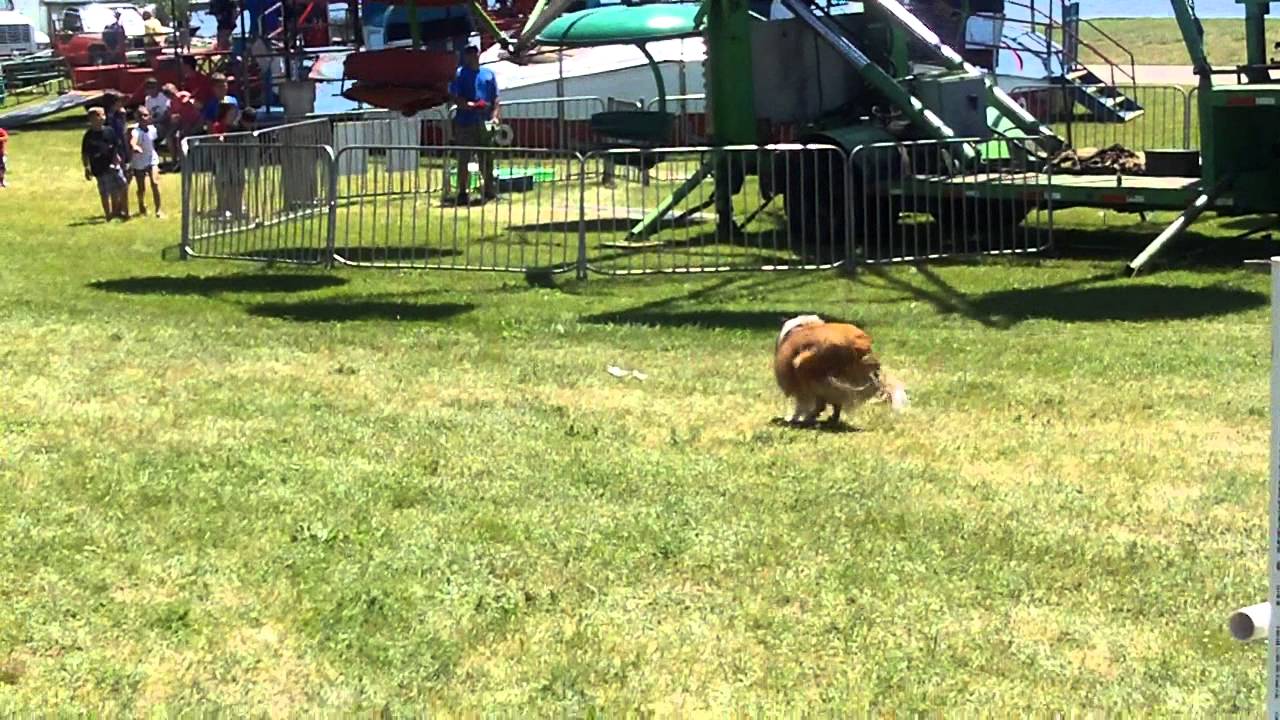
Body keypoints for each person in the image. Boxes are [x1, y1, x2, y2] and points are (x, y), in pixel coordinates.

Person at [447, 44, 499, 205]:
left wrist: (495, 116)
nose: (472, 56)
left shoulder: (488, 74)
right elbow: (454, 96)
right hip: (465, 122)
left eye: (474, 53)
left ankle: (489, 190)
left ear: (478, 54)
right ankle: (462, 192)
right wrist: (468, 105)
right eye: (468, 53)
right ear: (465, 56)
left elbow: (496, 98)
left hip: (484, 123)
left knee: (486, 157)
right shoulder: (459, 74)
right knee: (464, 158)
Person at [81, 107, 129, 221]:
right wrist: (87, 168)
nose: (104, 117)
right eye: (101, 115)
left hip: (113, 165)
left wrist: (118, 159)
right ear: (93, 118)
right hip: (99, 168)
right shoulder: (89, 135)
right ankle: (108, 215)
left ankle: (124, 212)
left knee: (123, 185)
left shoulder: (109, 131)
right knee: (105, 192)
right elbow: (85, 153)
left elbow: (115, 146)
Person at [129, 107, 163, 217]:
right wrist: (135, 147)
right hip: (139, 161)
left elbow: (152, 142)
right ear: (137, 118)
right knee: (141, 187)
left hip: (151, 158)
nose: (144, 118)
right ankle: (142, 205)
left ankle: (158, 210)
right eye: (141, 116)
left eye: (146, 115)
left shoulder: (152, 129)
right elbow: (133, 141)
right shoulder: (136, 131)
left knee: (155, 183)